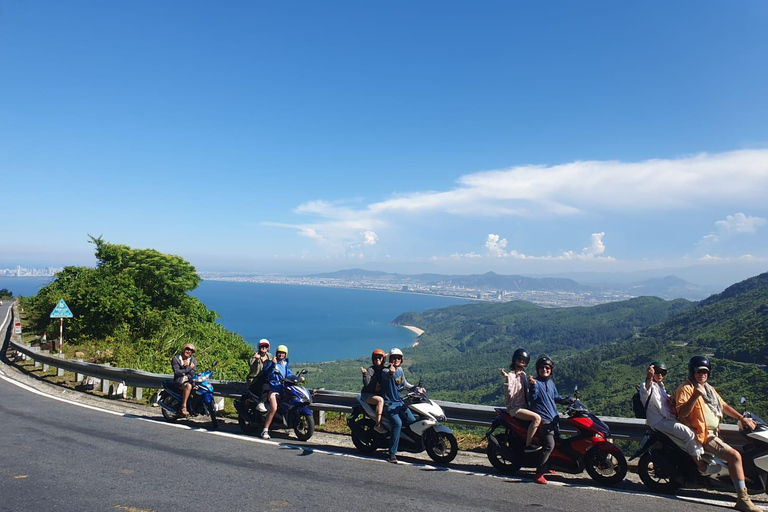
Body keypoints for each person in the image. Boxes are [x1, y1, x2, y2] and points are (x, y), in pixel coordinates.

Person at [675, 355, 760, 512]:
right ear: (692, 371)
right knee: (735, 456)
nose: (702, 375)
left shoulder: (709, 389)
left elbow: (723, 406)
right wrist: (695, 395)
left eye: (705, 372)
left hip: (715, 432)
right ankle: (743, 499)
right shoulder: (685, 389)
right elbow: (682, 413)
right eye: (699, 371)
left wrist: (742, 418)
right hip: (704, 434)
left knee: (736, 457)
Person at [639, 361, 717, 475]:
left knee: (693, 430)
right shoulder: (647, 385)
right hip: (659, 422)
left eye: (663, 373)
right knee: (689, 434)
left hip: (668, 419)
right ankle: (702, 467)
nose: (660, 375)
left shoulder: (660, 386)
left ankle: (693, 461)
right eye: (658, 372)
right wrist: (649, 376)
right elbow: (645, 389)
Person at [528, 355, 572, 484]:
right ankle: (539, 473)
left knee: (558, 443)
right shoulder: (535, 382)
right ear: (538, 369)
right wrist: (533, 386)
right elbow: (533, 398)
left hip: (553, 419)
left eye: (547, 368)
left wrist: (569, 400)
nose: (544, 370)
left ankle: (550, 465)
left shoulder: (550, 383)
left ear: (551, 370)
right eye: (542, 367)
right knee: (549, 445)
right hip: (544, 420)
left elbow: (556, 397)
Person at [380, 348, 423, 464]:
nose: (396, 360)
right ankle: (392, 454)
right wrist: (391, 372)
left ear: (401, 359)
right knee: (397, 423)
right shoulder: (385, 371)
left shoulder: (400, 371)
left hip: (399, 403)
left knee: (412, 421)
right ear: (390, 359)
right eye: (394, 358)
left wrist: (416, 388)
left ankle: (409, 443)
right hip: (388, 404)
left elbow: (404, 384)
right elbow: (387, 376)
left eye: (398, 358)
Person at [500, 348, 541, 453]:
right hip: (514, 408)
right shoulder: (511, 375)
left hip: (523, 406)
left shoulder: (523, 375)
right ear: (515, 359)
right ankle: (528, 445)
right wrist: (507, 379)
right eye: (519, 359)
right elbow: (509, 393)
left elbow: (526, 392)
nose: (521, 361)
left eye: (524, 360)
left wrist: (532, 384)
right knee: (536, 418)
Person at [261, 344, 304, 439]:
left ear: (285, 355)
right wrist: (272, 364)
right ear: (276, 353)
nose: (281, 355)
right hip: (274, 390)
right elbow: (268, 373)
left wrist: (298, 378)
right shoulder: (272, 363)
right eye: (279, 353)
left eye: (283, 353)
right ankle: (265, 430)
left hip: (283, 389)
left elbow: (289, 375)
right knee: (274, 408)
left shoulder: (285, 365)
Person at [361, 348, 387, 433]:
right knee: (380, 401)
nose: (378, 359)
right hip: (367, 394)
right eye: (376, 358)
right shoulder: (371, 370)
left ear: (383, 359)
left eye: (380, 357)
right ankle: (378, 425)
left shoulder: (385, 370)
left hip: (377, 393)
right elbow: (366, 383)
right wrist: (365, 374)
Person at [247, 339, 273, 413]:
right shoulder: (254, 357)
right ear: (259, 347)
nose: (264, 347)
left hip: (265, 379)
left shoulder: (270, 356)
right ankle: (261, 403)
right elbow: (254, 368)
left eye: (266, 346)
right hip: (254, 380)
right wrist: (257, 360)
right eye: (262, 346)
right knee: (266, 383)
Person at [172, 343, 197, 416]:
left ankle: (194, 407)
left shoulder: (192, 360)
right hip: (179, 381)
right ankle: (184, 406)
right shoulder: (176, 359)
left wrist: (187, 371)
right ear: (183, 349)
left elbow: (193, 372)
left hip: (189, 379)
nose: (189, 351)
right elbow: (177, 372)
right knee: (188, 386)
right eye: (187, 349)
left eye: (191, 351)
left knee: (198, 388)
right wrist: (188, 368)